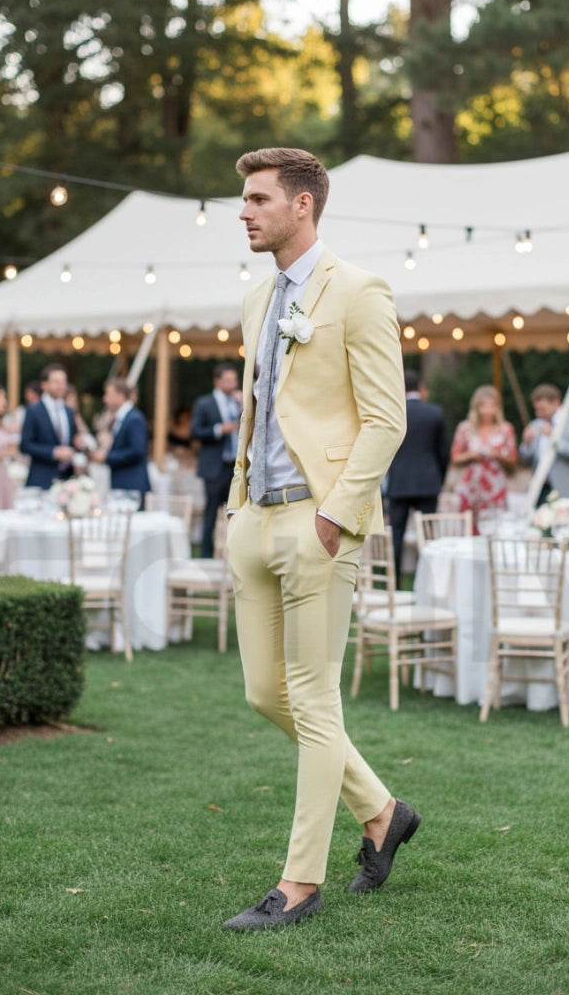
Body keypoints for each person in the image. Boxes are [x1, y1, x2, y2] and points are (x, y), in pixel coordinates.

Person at [222, 147, 419, 932]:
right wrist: (237, 506)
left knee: (313, 697)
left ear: (302, 205)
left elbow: (386, 418)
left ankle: (299, 884)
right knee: (265, 693)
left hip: (317, 522)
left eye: (258, 198)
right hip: (255, 519)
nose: (244, 210)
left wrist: (334, 515)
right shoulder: (255, 300)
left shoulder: (361, 292)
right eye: (244, 199)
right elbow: (258, 413)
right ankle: (381, 811)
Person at [385, 368, 449, 582]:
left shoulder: (393, 412)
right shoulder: (435, 412)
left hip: (399, 482)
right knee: (428, 536)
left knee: (396, 535)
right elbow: (443, 453)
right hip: (428, 482)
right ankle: (428, 580)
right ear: (420, 388)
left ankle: (394, 580)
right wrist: (438, 478)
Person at [450, 384, 517, 532]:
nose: (487, 410)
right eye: (483, 406)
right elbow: (455, 458)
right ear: (476, 408)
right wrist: (471, 455)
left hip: (495, 487)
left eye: (491, 406)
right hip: (470, 486)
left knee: (494, 528)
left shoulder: (506, 429)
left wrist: (498, 456)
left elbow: (513, 462)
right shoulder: (465, 428)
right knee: (468, 528)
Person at [190, 364, 241, 557]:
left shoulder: (239, 402)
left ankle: (233, 554)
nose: (233, 384)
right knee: (211, 512)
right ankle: (206, 555)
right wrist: (219, 429)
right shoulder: (205, 403)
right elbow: (195, 432)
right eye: (228, 380)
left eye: (234, 380)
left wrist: (243, 404)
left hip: (235, 467)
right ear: (217, 381)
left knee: (237, 513)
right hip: (215, 467)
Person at [518, 383, 569, 504]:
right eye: (536, 410)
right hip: (541, 491)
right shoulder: (536, 425)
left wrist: (554, 439)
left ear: (556, 403)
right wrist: (526, 443)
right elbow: (525, 461)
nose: (538, 414)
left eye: (542, 409)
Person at [20, 363, 78, 488]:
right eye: (56, 382)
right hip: (42, 478)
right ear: (44, 385)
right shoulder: (33, 411)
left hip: (68, 480)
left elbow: (72, 441)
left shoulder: (69, 411)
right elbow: (25, 445)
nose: (61, 386)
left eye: (63, 382)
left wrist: (78, 444)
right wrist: (53, 452)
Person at [89, 378, 150, 496]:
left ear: (120, 396)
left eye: (108, 394)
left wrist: (107, 457)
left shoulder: (134, 419)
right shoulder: (121, 418)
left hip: (132, 485)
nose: (105, 399)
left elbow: (137, 451)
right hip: (122, 484)